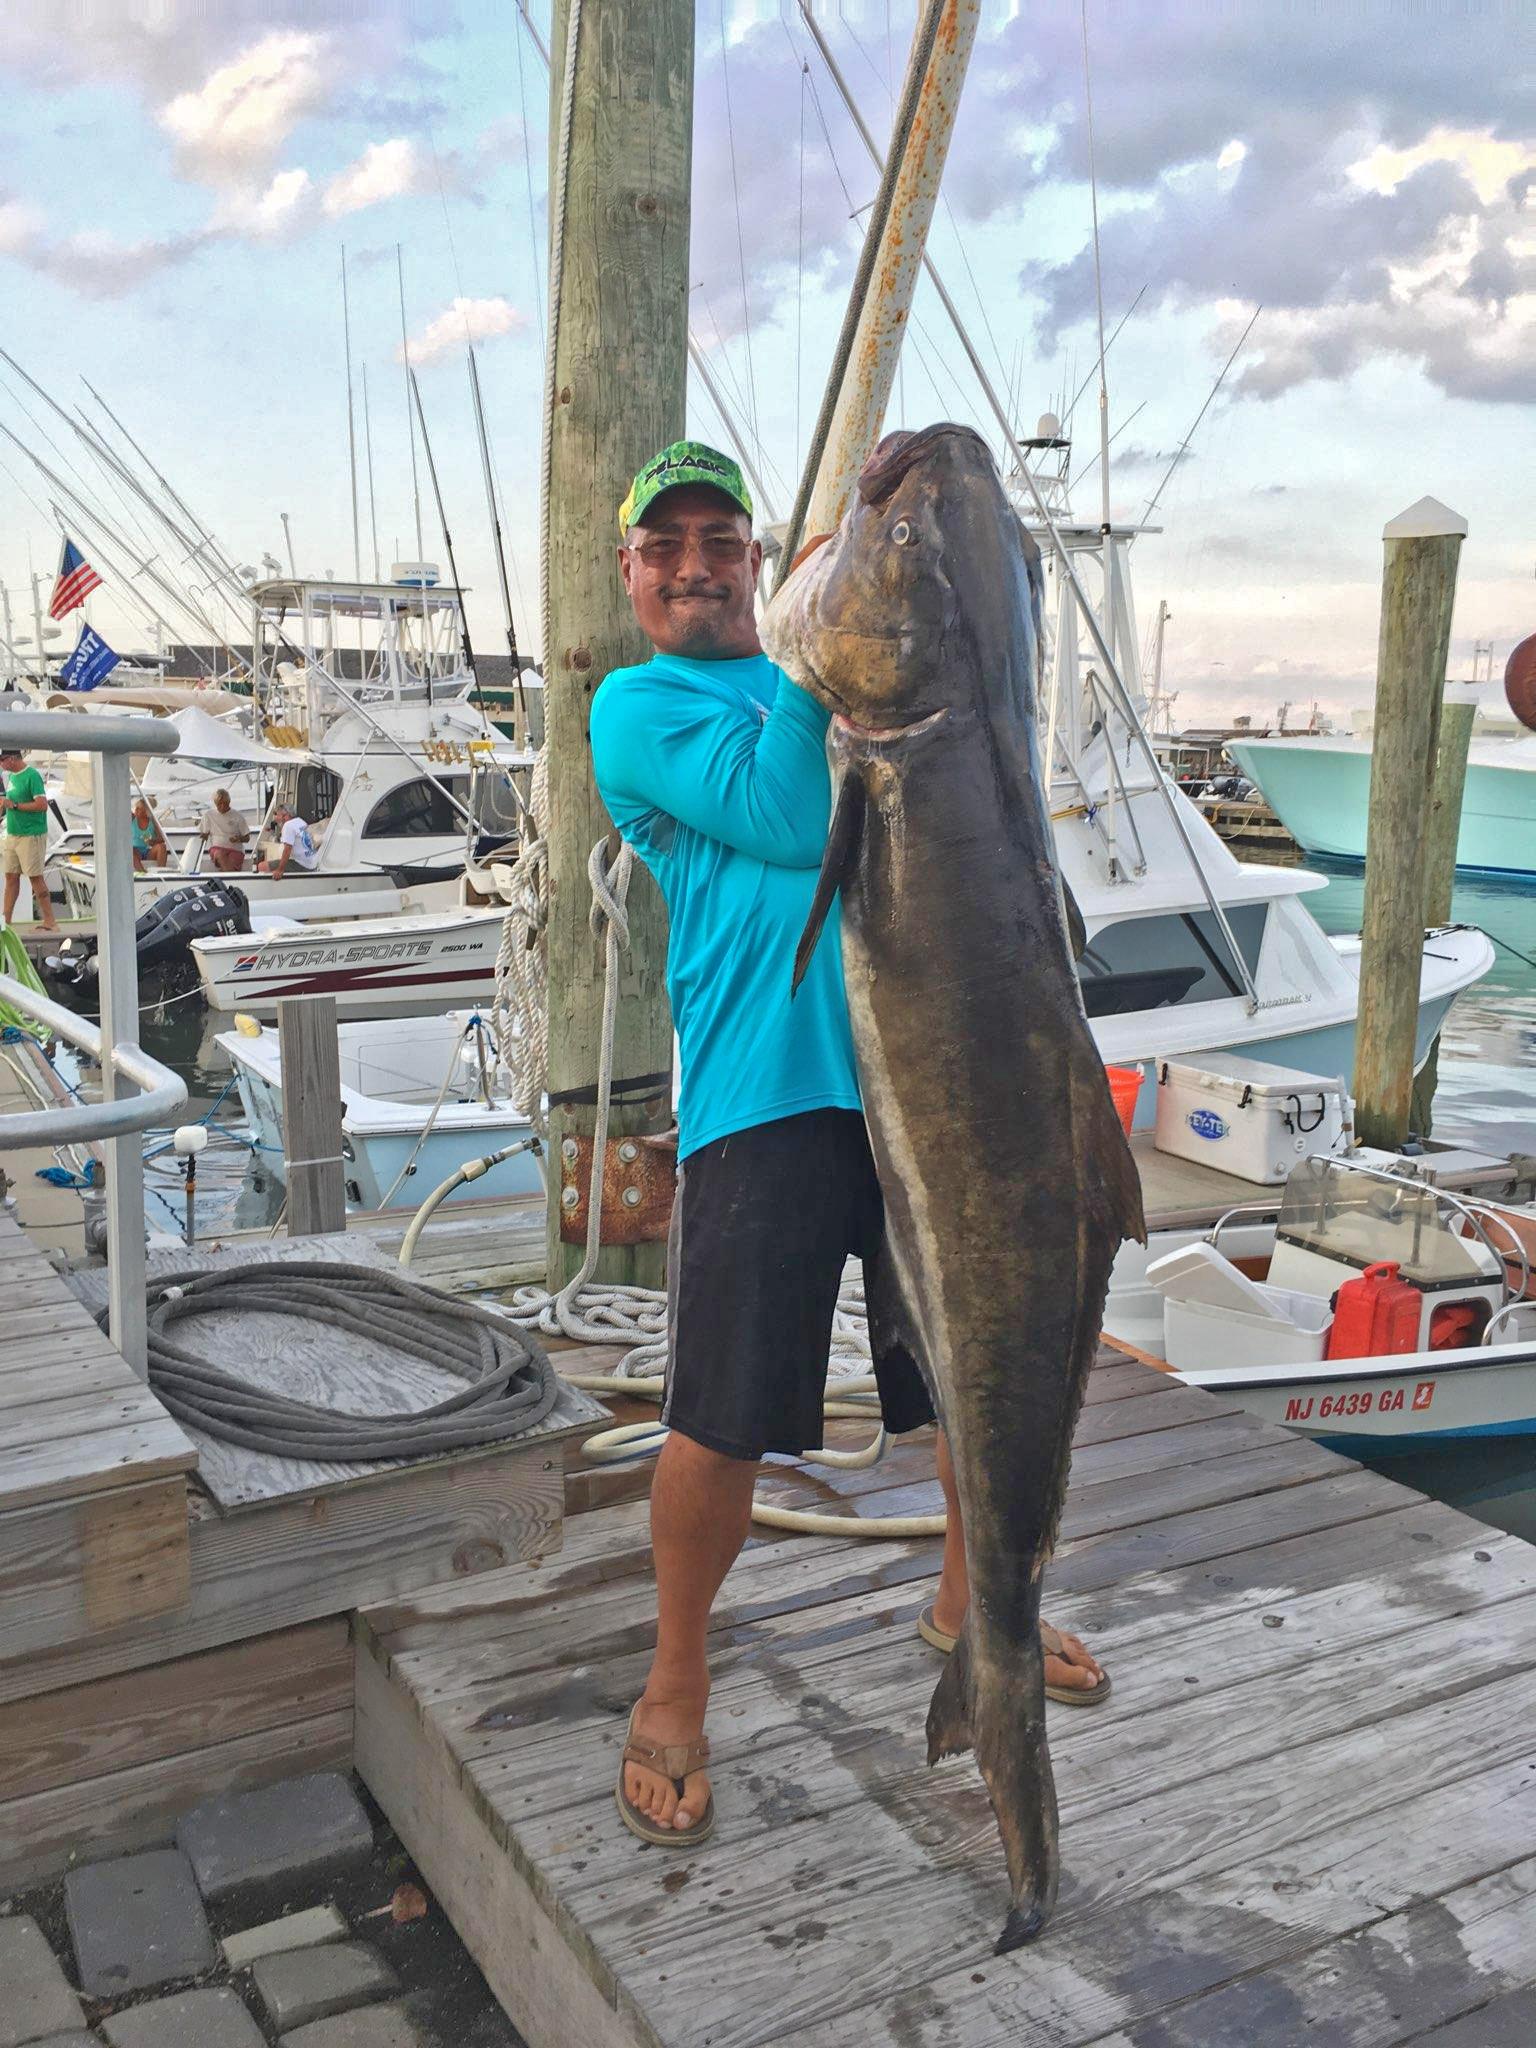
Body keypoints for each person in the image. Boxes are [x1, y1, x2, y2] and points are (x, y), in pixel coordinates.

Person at [589, 442, 1107, 1850]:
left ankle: (976, 1611)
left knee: (968, 1379)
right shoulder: (640, 709)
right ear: (632, 574)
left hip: (931, 1088)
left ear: (758, 559)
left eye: (721, 541)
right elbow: (782, 810)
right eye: (666, 547)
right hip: (771, 1096)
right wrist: (841, 650)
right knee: (721, 1414)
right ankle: (676, 1680)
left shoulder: (839, 673)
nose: (696, 568)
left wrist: (932, 560)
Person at [0, 743, 58, 932]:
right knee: (11, 877)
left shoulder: (31, 775)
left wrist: (15, 805)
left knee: (35, 878)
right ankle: (5, 922)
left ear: (11, 759)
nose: (1, 764)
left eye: (2, 760)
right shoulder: (11, 777)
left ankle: (50, 921)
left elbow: (42, 805)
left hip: (31, 834)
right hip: (13, 833)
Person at [198, 788, 250, 873]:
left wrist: (239, 839)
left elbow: (247, 838)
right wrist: (200, 840)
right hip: (216, 849)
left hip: (236, 850)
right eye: (219, 804)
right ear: (215, 803)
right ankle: (230, 877)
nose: (222, 806)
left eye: (225, 803)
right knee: (220, 854)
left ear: (229, 802)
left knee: (230, 860)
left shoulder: (237, 816)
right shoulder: (208, 815)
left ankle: (226, 876)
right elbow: (204, 835)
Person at [259, 804, 320, 876]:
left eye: (277, 815)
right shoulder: (300, 821)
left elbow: (287, 849)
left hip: (303, 865)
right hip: (313, 862)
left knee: (262, 866)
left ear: (286, 815)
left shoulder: (288, 825)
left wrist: (280, 870)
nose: (275, 819)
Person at [130, 798, 169, 872]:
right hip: (136, 852)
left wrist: (152, 841)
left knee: (162, 847)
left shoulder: (153, 821)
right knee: (130, 849)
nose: (136, 810)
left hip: (148, 852)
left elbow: (162, 839)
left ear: (146, 811)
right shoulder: (132, 818)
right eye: (136, 807)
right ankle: (142, 872)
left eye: (139, 808)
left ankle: (161, 872)